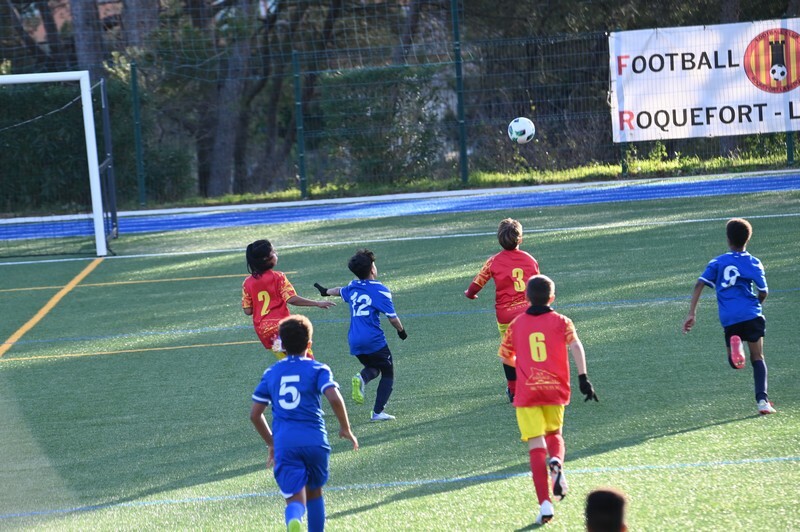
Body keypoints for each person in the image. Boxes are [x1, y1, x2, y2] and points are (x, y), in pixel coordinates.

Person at [498, 274, 598, 525]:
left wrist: (522, 365)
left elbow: (505, 356)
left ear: (526, 297)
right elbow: (576, 346)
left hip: (528, 392)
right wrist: (583, 377)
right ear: (552, 297)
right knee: (554, 434)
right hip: (555, 389)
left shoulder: (516, 325)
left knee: (535, 444)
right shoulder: (563, 321)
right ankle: (556, 462)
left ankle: (545, 505)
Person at [250, 315, 358, 532]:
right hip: (315, 440)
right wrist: (345, 427)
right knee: (315, 492)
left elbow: (255, 415)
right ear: (309, 344)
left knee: (294, 499)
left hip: (286, 443)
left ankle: (295, 519)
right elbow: (334, 397)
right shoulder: (318, 369)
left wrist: (271, 443)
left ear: (282, 345)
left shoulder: (272, 373)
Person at [682, 218, 775, 415]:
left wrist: (692, 313)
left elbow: (699, 284)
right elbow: (763, 291)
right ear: (748, 239)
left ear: (728, 239)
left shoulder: (718, 262)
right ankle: (762, 401)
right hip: (751, 313)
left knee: (735, 363)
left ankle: (736, 346)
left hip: (729, 317)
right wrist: (757, 304)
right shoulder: (754, 262)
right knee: (757, 357)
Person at [313, 248, 407, 422]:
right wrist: (401, 331)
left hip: (354, 340)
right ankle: (378, 412)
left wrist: (325, 291)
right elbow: (393, 318)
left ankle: (362, 378)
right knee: (388, 373)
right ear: (372, 269)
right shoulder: (381, 290)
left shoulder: (353, 287)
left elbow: (339, 290)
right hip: (373, 339)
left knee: (374, 367)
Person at [465, 218, 540, 402]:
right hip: (528, 312)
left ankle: (513, 390)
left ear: (499, 239)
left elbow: (477, 283)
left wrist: (470, 294)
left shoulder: (494, 261)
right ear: (520, 239)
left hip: (506, 315)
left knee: (509, 352)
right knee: (531, 348)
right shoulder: (530, 260)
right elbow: (539, 285)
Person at [242, 239, 335, 359]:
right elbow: (291, 299)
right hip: (282, 330)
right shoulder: (278, 277)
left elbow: (248, 310)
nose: (276, 254)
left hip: (265, 333)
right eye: (273, 252)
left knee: (287, 361)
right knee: (306, 361)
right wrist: (317, 303)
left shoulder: (247, 282)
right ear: (266, 259)